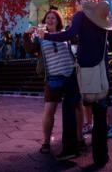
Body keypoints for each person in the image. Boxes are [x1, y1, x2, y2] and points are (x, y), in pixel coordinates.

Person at [40, 0, 112, 168]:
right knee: (100, 112)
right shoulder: (103, 17)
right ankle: (101, 156)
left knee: (70, 105)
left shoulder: (80, 15)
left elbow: (70, 34)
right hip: (102, 71)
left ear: (79, 3)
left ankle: (70, 148)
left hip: (84, 69)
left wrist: (46, 36)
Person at [24, 9, 84, 160]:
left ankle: (79, 138)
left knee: (77, 106)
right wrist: (26, 35)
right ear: (45, 21)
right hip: (52, 78)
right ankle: (46, 142)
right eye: (48, 18)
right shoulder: (40, 37)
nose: (50, 20)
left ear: (58, 21)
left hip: (70, 75)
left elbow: (80, 42)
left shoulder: (66, 34)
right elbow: (29, 49)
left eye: (53, 18)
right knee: (49, 109)